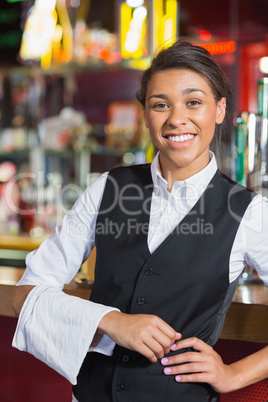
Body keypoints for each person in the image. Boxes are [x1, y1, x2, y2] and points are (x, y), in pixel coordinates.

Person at [13, 40, 268, 402]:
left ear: (219, 109)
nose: (177, 118)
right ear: (146, 115)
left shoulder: (249, 211)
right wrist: (111, 321)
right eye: (160, 105)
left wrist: (234, 375)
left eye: (193, 102)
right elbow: (25, 295)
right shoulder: (108, 188)